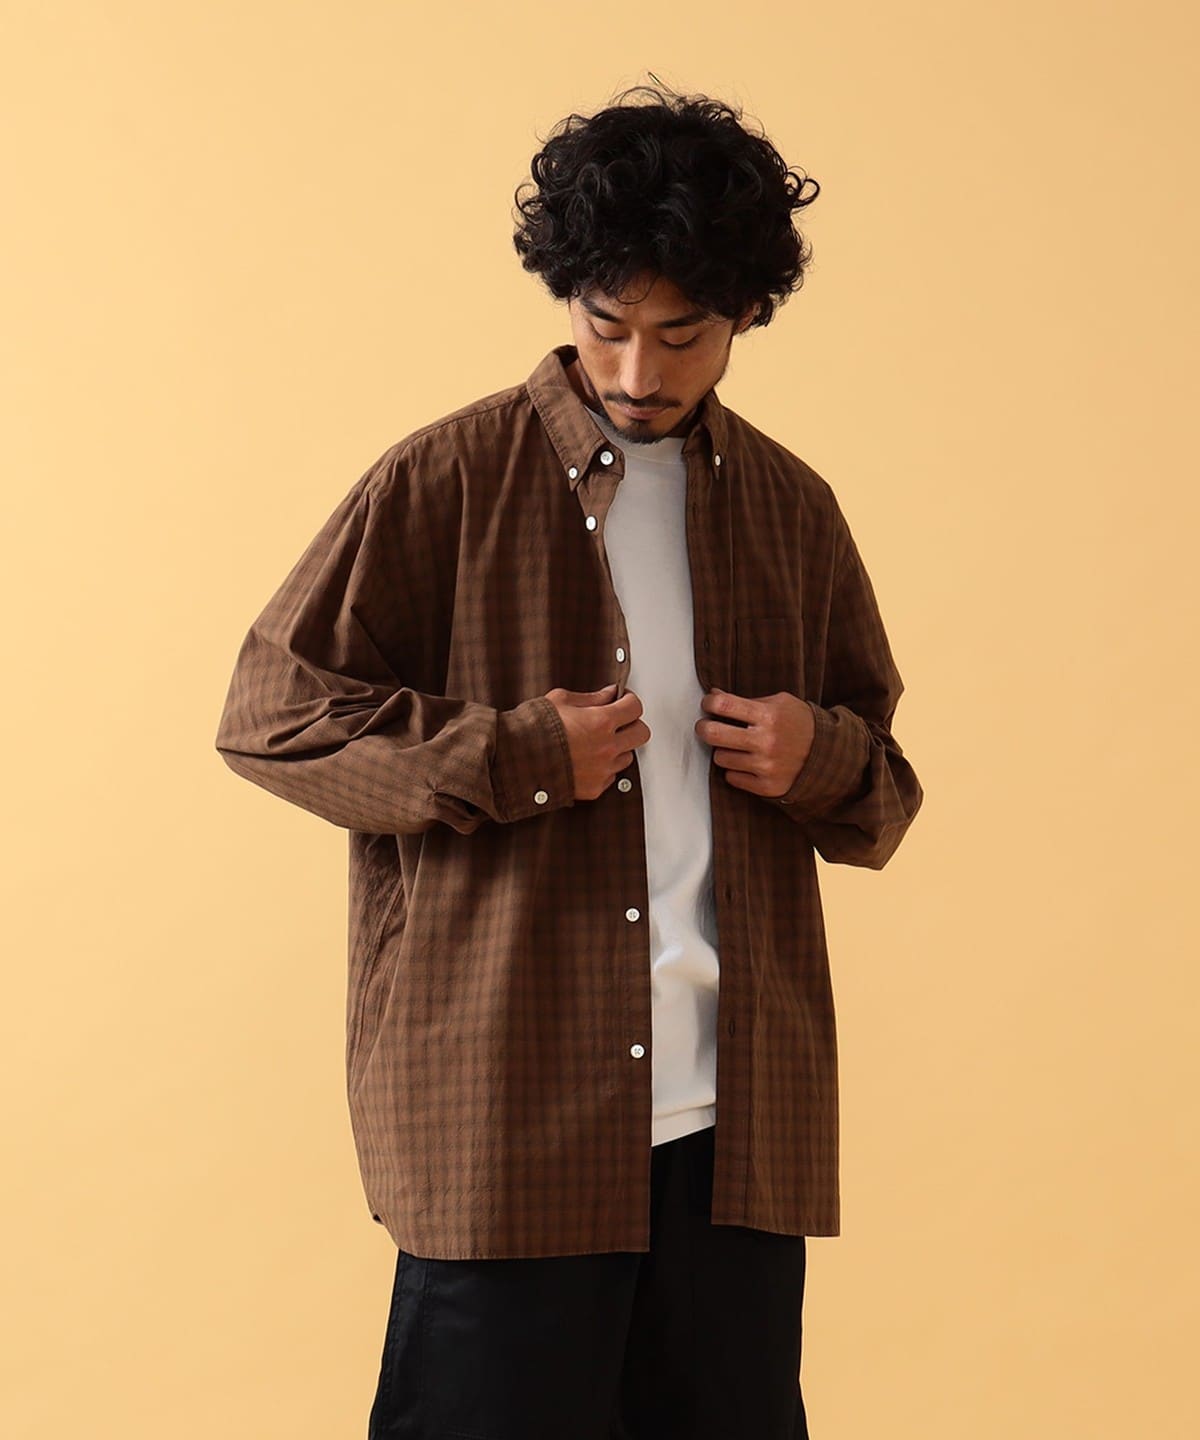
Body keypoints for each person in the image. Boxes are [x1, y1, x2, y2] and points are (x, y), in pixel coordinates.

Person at [214, 81, 923, 1440]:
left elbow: (882, 791)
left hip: (735, 1135)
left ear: (745, 314)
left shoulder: (791, 510)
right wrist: (518, 754)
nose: (640, 373)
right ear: (569, 299)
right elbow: (271, 716)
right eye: (608, 326)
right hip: (511, 1117)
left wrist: (817, 753)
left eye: (683, 335)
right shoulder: (446, 481)